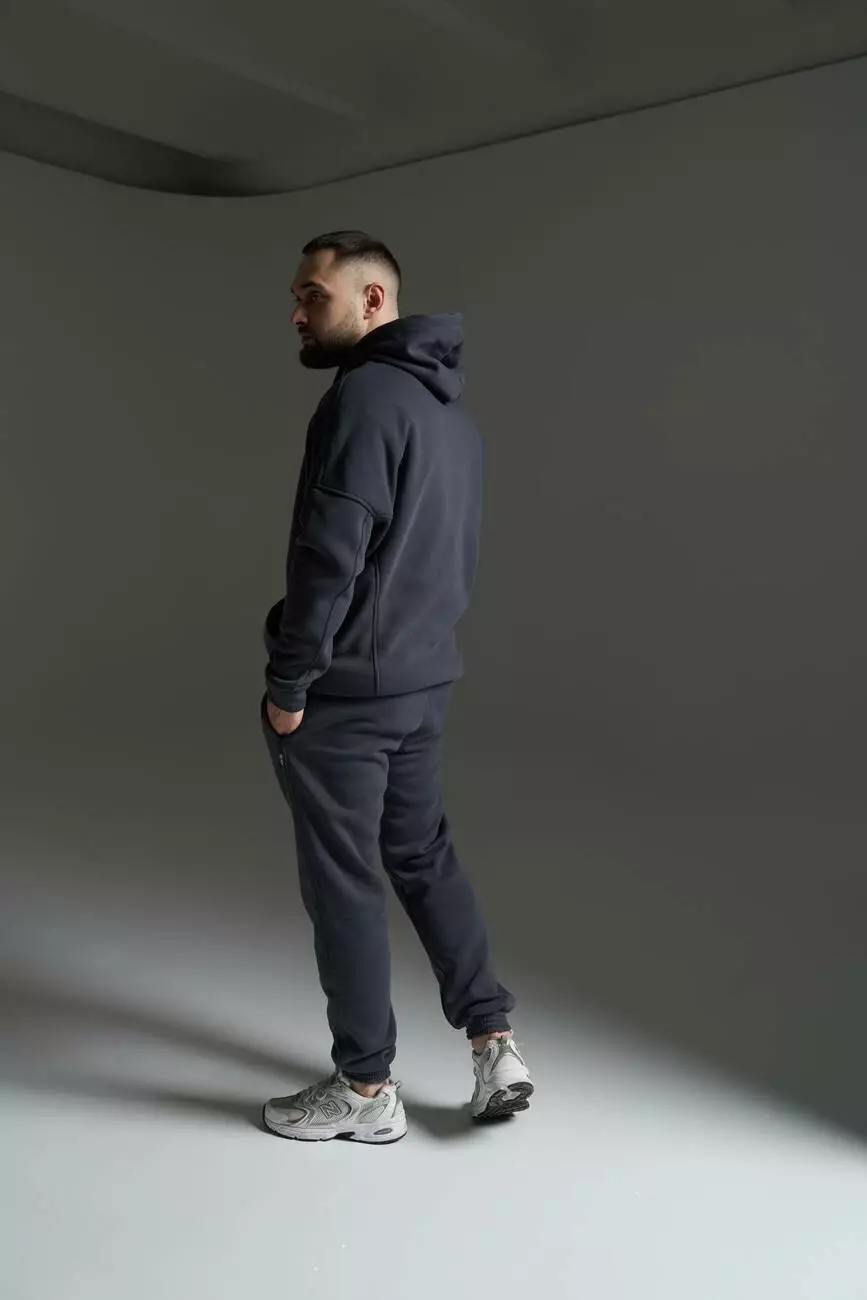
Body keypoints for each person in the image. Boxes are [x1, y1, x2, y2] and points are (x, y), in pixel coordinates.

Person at [259, 230, 533, 1144]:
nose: (296, 313)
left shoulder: (363, 400)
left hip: (347, 692)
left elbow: (329, 557)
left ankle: (365, 1089)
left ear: (373, 300)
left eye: (313, 295)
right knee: (421, 854)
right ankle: (494, 1042)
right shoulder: (448, 410)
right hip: (422, 678)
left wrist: (290, 680)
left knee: (344, 882)